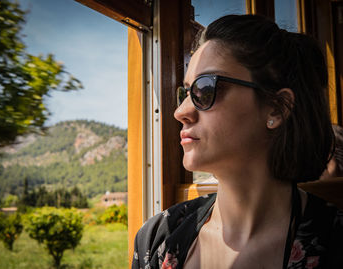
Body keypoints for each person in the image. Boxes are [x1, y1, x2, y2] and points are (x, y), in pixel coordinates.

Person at [132, 14, 343, 269]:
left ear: (276, 108)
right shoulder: (157, 236)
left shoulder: (335, 242)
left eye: (205, 89)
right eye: (185, 93)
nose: (180, 112)